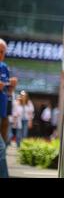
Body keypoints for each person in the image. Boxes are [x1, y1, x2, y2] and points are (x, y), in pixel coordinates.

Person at [0, 38, 18, 178]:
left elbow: (8, 93)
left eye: (3, 52)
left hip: (2, 113)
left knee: (2, 148)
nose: (1, 54)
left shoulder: (4, 67)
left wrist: (11, 86)